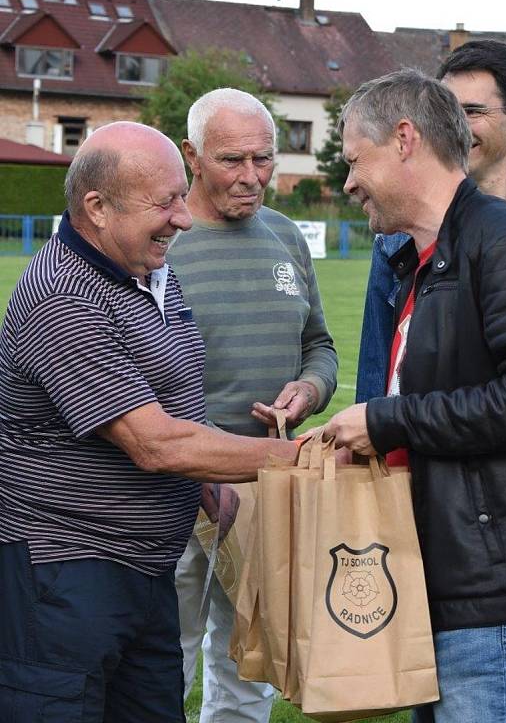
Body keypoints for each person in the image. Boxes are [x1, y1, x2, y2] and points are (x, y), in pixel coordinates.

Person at [0, 121, 299, 723]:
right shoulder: (63, 295)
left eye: (180, 199)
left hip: (142, 570)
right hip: (65, 578)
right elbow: (155, 443)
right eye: (164, 203)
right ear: (98, 208)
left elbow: (175, 393)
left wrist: (206, 480)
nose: (183, 218)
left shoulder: (147, 273)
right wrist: (305, 457)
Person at [324, 68, 506, 723]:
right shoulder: (420, 258)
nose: (348, 181)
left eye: (356, 159)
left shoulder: (501, 243)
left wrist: (386, 421)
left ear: (404, 140)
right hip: (431, 581)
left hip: (490, 600)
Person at [170, 88, 337, 723]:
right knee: (164, 658)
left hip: (269, 487)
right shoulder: (160, 243)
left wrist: (310, 388)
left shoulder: (287, 235)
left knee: (250, 669)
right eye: (232, 160)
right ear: (192, 156)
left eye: (263, 159)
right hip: (175, 492)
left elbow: (318, 344)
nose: (251, 177)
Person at [356, 39, 506, 403]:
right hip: (417, 454)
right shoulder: (397, 238)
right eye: (450, 110)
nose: (458, 126)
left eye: (473, 111)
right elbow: (377, 366)